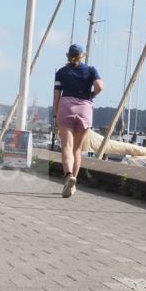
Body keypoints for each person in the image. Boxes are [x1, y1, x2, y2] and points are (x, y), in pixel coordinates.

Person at [53, 44, 104, 198]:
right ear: (83, 56)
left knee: (67, 147)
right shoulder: (91, 70)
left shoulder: (61, 72)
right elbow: (99, 86)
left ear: (68, 56)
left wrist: (56, 113)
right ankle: (73, 183)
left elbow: (56, 95)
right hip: (84, 108)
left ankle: (68, 176)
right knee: (77, 149)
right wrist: (92, 95)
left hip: (66, 107)